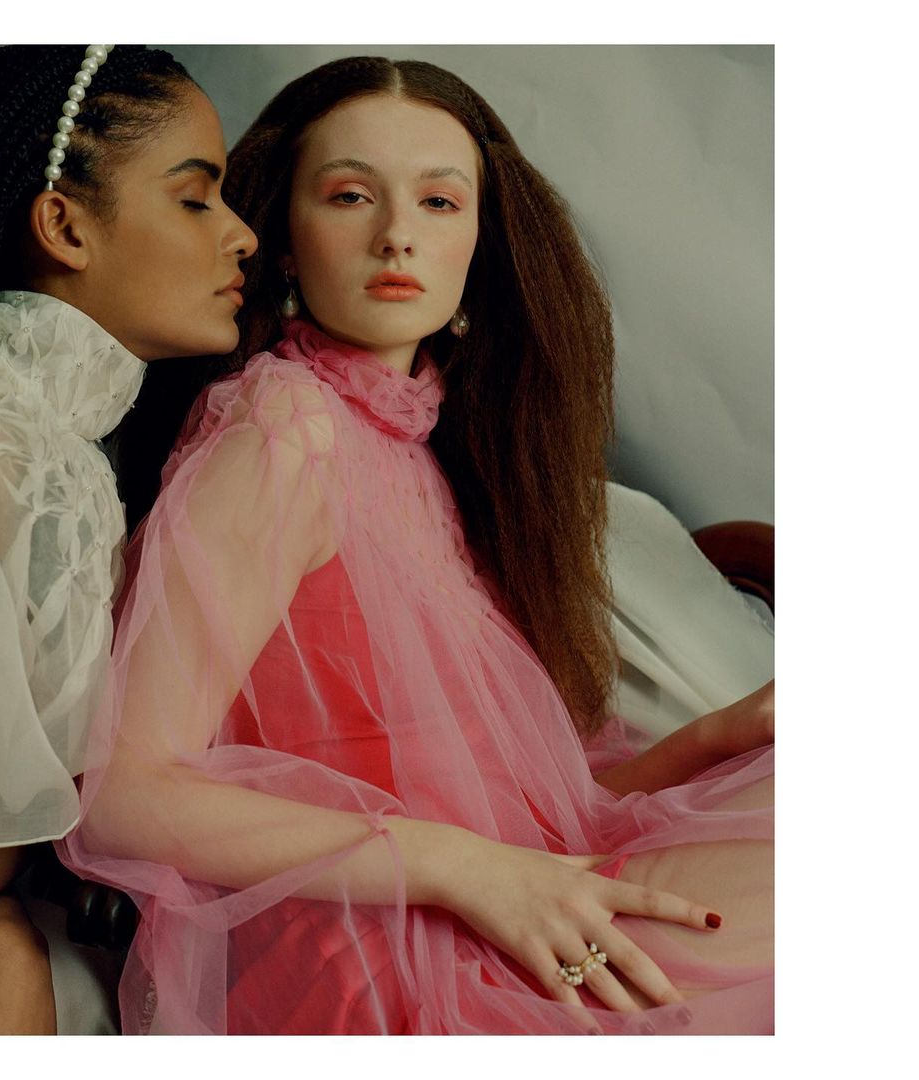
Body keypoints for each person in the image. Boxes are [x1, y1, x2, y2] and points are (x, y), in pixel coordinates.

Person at [58, 56, 773, 1035]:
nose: (397, 233)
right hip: (380, 953)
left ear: (482, 242)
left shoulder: (418, 448)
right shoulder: (283, 429)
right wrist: (453, 865)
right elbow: (121, 796)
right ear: (282, 241)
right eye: (350, 195)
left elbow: (517, 820)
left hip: (495, 898)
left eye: (439, 202)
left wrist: (720, 736)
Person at [0, 43, 256, 1033]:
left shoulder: (62, 441)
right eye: (195, 199)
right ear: (64, 225)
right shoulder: (0, 432)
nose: (242, 236)